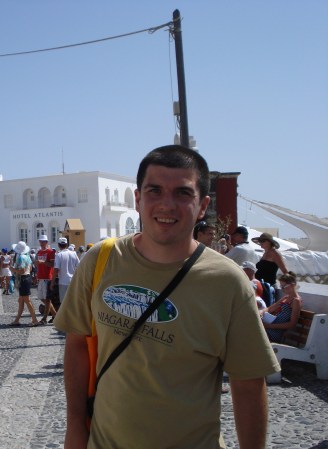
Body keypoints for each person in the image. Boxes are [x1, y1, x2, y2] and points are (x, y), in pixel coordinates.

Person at [54, 145, 279, 449]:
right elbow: (78, 346)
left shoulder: (228, 281)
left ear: (203, 205)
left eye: (183, 193)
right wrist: (75, 429)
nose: (167, 204)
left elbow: (249, 382)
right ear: (138, 199)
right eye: (154, 191)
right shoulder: (101, 260)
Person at [260, 271, 302, 343]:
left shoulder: (296, 301)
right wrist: (261, 312)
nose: (282, 289)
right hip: (269, 328)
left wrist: (269, 326)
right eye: (281, 287)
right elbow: (270, 309)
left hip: (275, 333)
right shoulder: (286, 298)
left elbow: (292, 324)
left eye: (283, 287)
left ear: (293, 285)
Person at [9, 241, 39, 327]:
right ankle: (17, 320)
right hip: (27, 278)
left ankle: (35, 320)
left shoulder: (21, 257)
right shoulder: (27, 256)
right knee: (21, 300)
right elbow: (30, 269)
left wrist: (13, 269)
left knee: (26, 300)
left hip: (23, 279)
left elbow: (22, 271)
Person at [36, 235, 57, 325]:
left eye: (43, 241)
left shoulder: (50, 252)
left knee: (47, 299)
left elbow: (52, 264)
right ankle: (55, 314)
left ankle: (45, 318)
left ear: (46, 242)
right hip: (41, 276)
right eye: (40, 241)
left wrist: (44, 262)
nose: (41, 243)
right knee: (41, 297)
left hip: (47, 277)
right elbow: (38, 264)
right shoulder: (39, 252)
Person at [52, 237, 80, 304]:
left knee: (64, 302)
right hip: (73, 281)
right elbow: (79, 266)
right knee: (73, 301)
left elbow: (56, 269)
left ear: (58, 245)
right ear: (67, 244)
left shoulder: (59, 255)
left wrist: (52, 282)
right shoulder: (74, 253)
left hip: (63, 282)